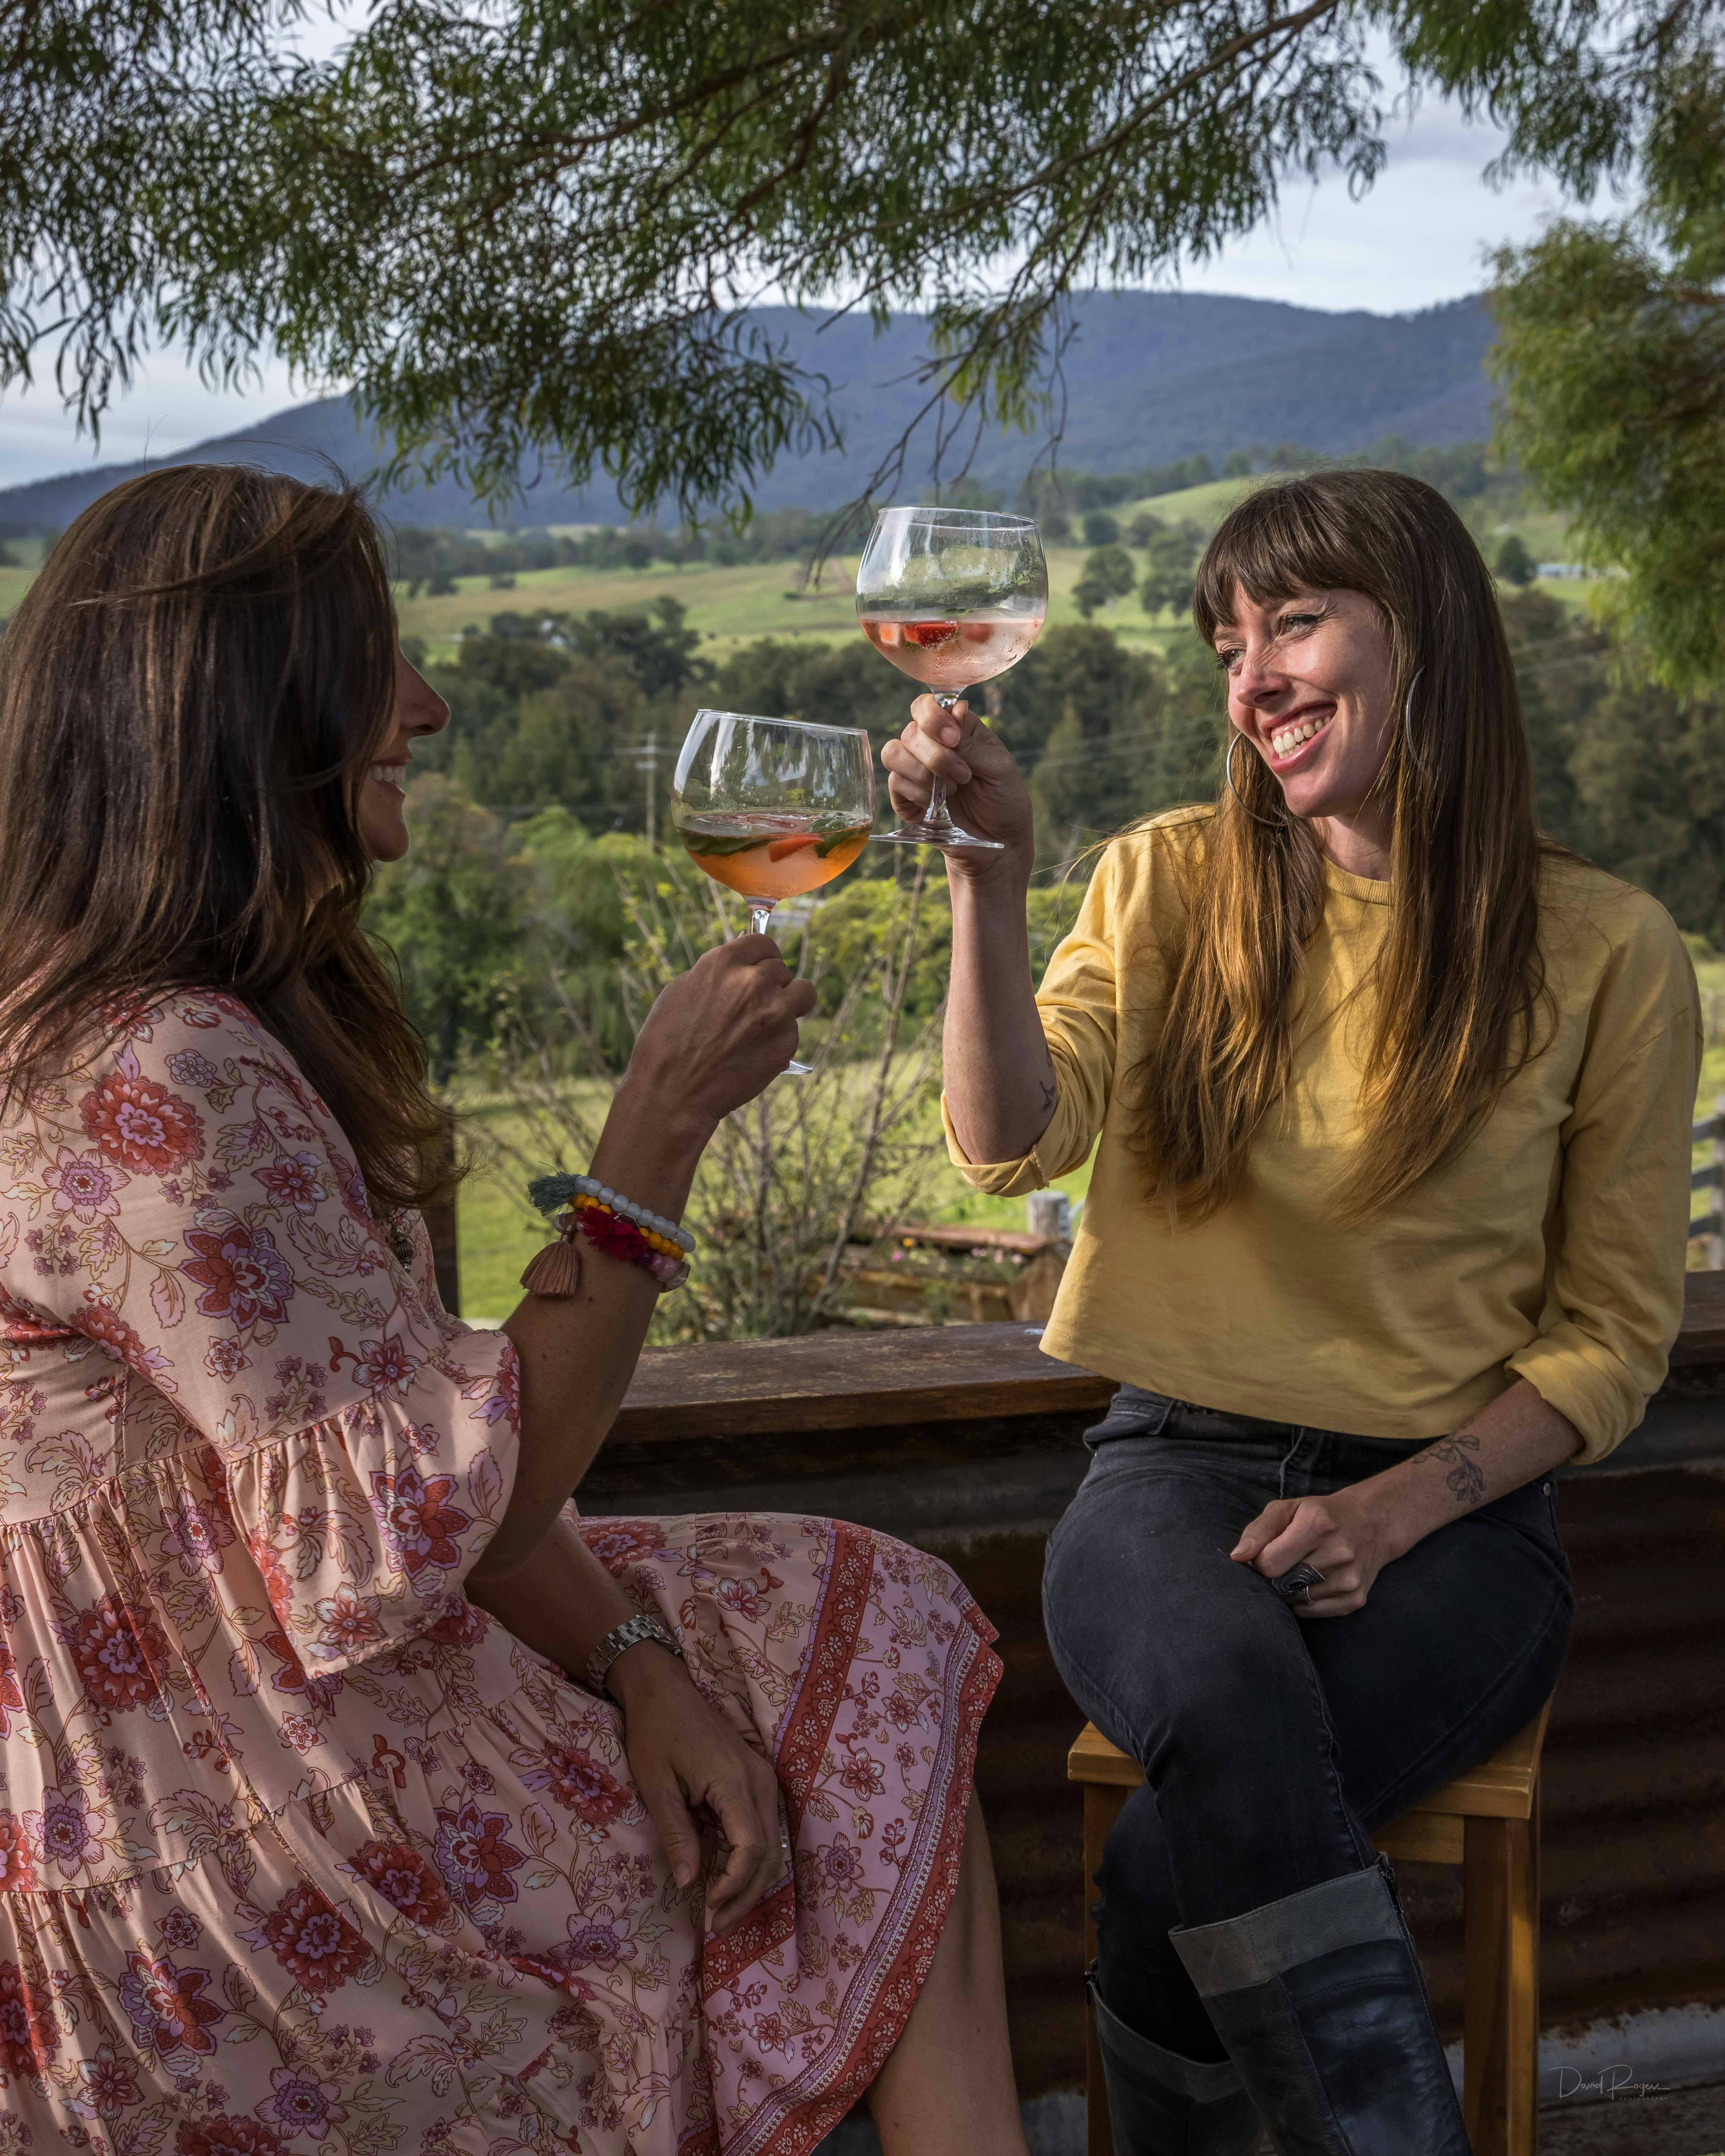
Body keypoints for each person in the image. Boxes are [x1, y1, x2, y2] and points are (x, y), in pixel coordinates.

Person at [0, 465, 1033, 2156]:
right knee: (869, 1699)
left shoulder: (138, 1016)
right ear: (246, 712)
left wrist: (642, 1669)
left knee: (857, 1606)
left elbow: (417, 1459)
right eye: (379, 664)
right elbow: (430, 1514)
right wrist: (650, 1156)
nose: (431, 703)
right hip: (230, 1838)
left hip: (256, 1705)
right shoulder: (158, 1077)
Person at [882, 468, 1701, 2154]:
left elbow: (1612, 1337)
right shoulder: (1162, 882)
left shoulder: (1613, 952)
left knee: (1177, 1860)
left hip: (1460, 1514)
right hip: (1171, 1475)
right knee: (1235, 1712)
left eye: (1297, 620)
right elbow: (1003, 1139)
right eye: (1227, 641)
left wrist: (1400, 1506)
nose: (1250, 678)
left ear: (1432, 646)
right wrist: (987, 882)